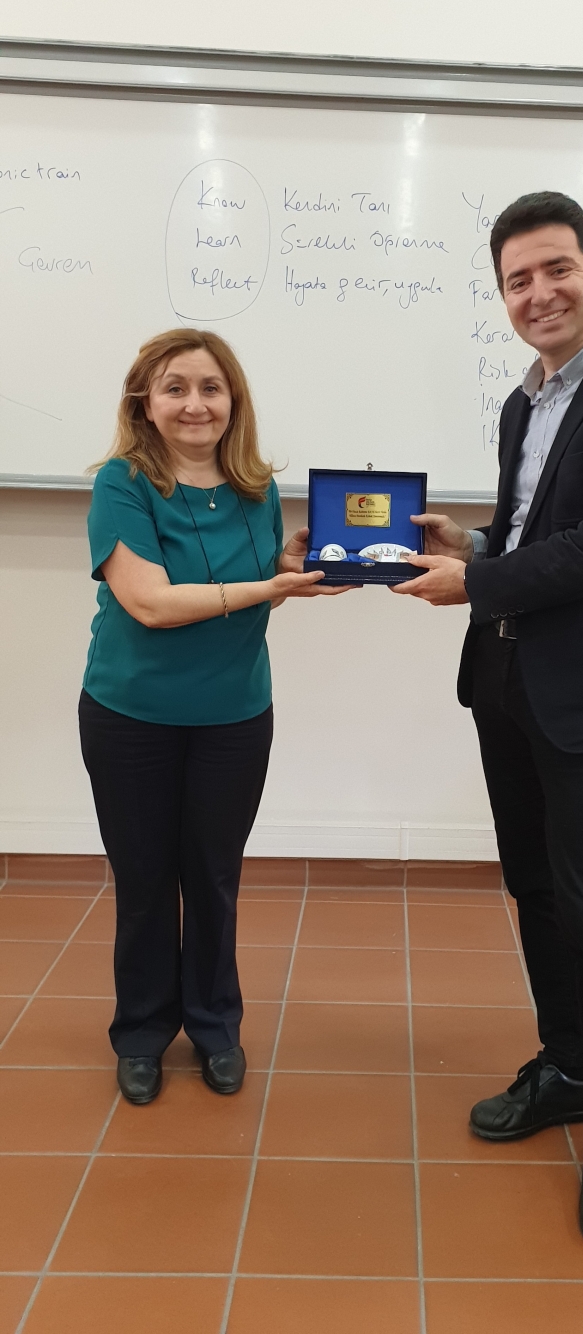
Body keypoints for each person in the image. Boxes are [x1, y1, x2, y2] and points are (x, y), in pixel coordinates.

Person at [393, 192, 583, 1247]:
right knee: (532, 887)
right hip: (508, 682)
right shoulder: (522, 403)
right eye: (517, 280)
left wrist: (474, 584)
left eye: (556, 269)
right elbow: (541, 533)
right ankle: (566, 1065)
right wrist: (474, 544)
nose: (539, 293)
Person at [79, 328, 339, 1105]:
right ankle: (141, 1033)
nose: (195, 404)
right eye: (175, 388)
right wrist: (270, 588)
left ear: (234, 401)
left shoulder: (259, 490)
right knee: (146, 882)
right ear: (145, 403)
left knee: (214, 879)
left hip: (234, 717)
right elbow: (151, 603)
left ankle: (216, 1027)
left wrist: (288, 567)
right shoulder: (122, 484)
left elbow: (250, 590)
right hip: (131, 716)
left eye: (211, 388)